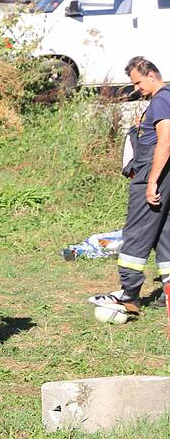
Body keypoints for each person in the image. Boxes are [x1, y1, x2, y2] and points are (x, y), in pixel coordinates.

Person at [89, 57, 170, 317]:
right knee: (164, 236)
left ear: (151, 75)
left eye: (138, 82)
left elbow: (165, 143)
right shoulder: (162, 101)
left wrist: (152, 181)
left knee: (135, 234)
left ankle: (129, 294)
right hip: (162, 177)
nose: (137, 88)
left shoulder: (161, 100)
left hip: (152, 177)